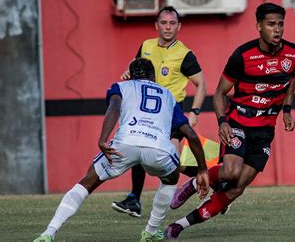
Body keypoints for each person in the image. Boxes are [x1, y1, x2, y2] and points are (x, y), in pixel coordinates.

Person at [163, 2, 295, 239]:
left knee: (239, 186)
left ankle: (179, 226)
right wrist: (223, 122)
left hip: (265, 131)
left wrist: (287, 109)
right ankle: (192, 184)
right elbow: (219, 93)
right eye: (271, 24)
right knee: (230, 172)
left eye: (280, 24)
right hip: (238, 123)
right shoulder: (242, 56)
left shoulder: (294, 53)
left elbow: (292, 76)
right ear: (259, 26)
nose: (277, 29)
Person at [33, 58, 209, 242]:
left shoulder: (120, 87)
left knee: (87, 182)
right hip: (158, 148)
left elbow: (114, 107)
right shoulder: (168, 95)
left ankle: (49, 232)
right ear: (153, 76)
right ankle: (150, 231)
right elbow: (191, 135)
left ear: (131, 75)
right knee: (171, 178)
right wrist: (202, 169)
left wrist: (102, 139)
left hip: (125, 145)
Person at [111, 6, 207, 218]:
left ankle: (212, 179)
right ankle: (134, 200)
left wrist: (195, 112)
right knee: (143, 152)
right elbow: (136, 68)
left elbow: (201, 84)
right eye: (164, 23)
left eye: (172, 23)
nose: (167, 27)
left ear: (179, 27)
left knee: (170, 162)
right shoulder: (146, 46)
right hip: (148, 112)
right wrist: (129, 72)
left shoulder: (184, 54)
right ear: (156, 25)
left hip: (172, 113)